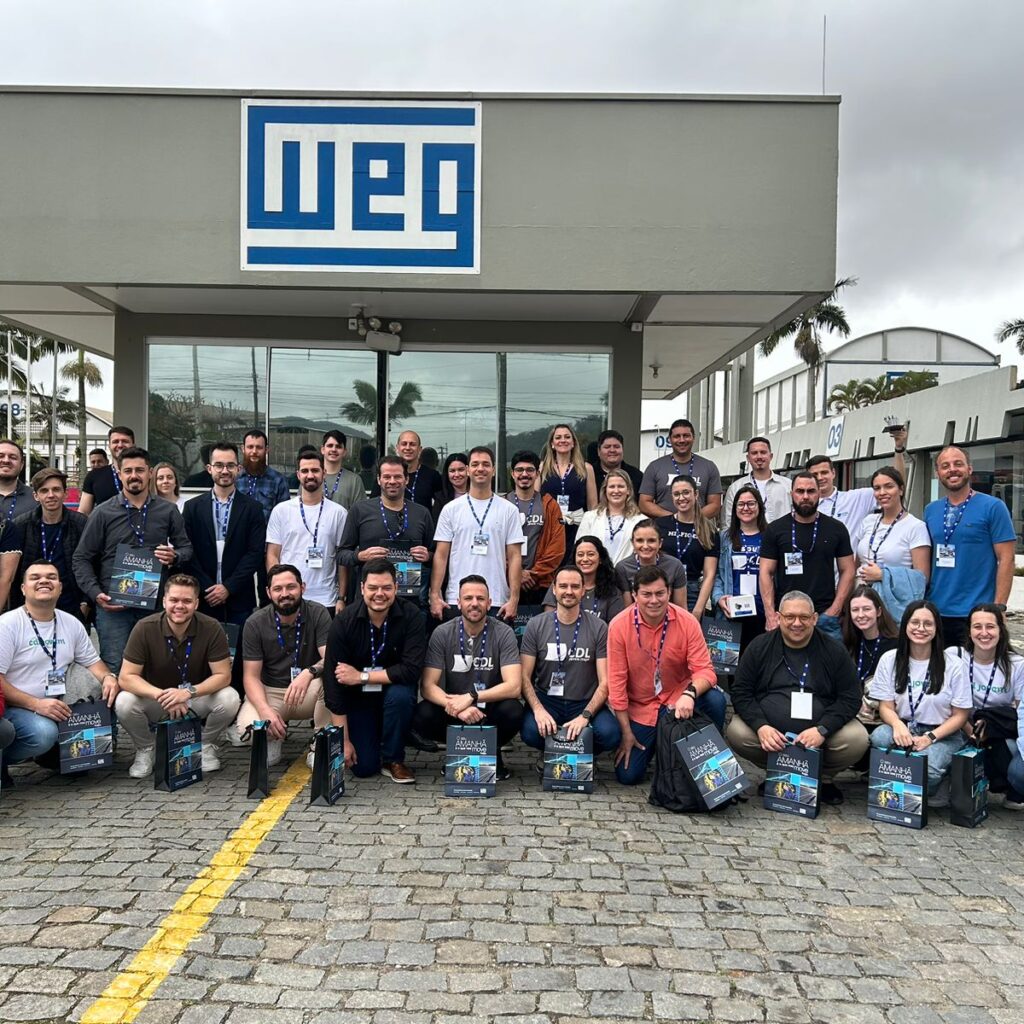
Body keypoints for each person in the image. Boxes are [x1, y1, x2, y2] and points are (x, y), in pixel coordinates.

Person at [728, 590, 869, 805]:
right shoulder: (759, 646)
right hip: (772, 732)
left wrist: (823, 729)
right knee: (737, 731)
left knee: (857, 738)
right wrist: (761, 726)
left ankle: (823, 779)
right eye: (790, 617)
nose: (797, 623)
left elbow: (850, 697)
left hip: (820, 733)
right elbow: (740, 691)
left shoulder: (834, 650)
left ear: (814, 618)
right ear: (778, 617)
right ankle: (778, 772)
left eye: (804, 617)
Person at [72, 447, 192, 675]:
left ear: (150, 473)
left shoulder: (168, 511)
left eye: (139, 470)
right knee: (115, 667)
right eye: (128, 471)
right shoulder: (103, 512)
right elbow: (81, 558)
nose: (134, 475)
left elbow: (186, 548)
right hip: (113, 607)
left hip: (155, 606)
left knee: (158, 667)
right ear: (119, 474)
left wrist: (175, 556)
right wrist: (96, 594)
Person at [607, 564, 723, 786]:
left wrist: (689, 693)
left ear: (669, 592)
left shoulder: (687, 621)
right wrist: (626, 733)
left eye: (660, 593)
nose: (654, 600)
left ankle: (712, 757)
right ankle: (665, 752)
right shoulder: (619, 626)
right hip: (642, 708)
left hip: (679, 700)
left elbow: (705, 670)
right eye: (646, 594)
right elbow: (616, 683)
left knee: (715, 700)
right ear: (634, 595)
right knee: (628, 775)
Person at [116, 574, 239, 777]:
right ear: (164, 601)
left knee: (230, 698)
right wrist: (163, 695)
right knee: (124, 701)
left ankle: (204, 744)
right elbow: (126, 677)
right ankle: (147, 748)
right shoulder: (144, 627)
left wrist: (187, 693)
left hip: (193, 698)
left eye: (187, 601)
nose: (179, 606)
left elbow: (223, 675)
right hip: (157, 699)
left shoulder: (212, 627)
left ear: (196, 603)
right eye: (174, 600)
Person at [0, 560, 117, 772]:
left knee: (107, 687)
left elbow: (93, 663)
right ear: (23, 588)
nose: (44, 581)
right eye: (35, 578)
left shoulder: (71, 623)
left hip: (60, 704)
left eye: (51, 577)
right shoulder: (7, 625)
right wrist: (36, 704)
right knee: (43, 733)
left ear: (60, 588)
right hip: (15, 707)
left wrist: (108, 678)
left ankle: (54, 755)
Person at [322, 558, 426, 783]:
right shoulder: (344, 621)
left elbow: (411, 670)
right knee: (363, 767)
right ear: (362, 588)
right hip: (359, 700)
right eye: (373, 588)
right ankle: (373, 737)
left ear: (396, 588)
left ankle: (393, 759)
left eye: (387, 588)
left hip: (393, 693)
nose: (380, 594)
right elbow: (333, 683)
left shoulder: (412, 616)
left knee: (401, 695)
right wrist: (344, 740)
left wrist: (361, 677)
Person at [414, 575, 523, 778]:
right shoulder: (442, 632)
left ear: (489, 603)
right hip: (454, 708)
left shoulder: (504, 633)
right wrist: (457, 707)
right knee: (423, 713)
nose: (474, 603)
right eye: (468, 598)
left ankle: (491, 751)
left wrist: (472, 697)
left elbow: (514, 686)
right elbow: (427, 686)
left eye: (480, 599)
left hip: (489, 708)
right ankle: (459, 751)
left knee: (514, 710)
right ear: (458, 602)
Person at [868, 599, 971, 803]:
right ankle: (899, 785)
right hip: (906, 727)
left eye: (928, 624)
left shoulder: (954, 665)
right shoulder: (890, 659)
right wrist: (898, 725)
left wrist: (930, 737)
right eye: (915, 622)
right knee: (879, 737)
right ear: (905, 625)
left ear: (937, 628)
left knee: (927, 768)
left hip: (942, 733)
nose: (921, 629)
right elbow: (886, 706)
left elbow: (960, 715)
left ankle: (940, 780)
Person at [520, 565, 620, 762]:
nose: (569, 591)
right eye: (563, 586)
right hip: (548, 700)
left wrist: (585, 716)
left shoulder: (599, 627)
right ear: (554, 589)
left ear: (583, 591)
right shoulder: (535, 625)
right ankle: (551, 752)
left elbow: (605, 682)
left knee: (610, 734)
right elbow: (524, 676)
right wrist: (538, 710)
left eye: (575, 586)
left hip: (584, 700)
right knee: (530, 731)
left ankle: (582, 754)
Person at [237, 563, 333, 765]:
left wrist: (309, 672)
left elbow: (331, 658)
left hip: (307, 689)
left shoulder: (318, 613)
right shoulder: (255, 622)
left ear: (302, 587)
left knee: (332, 679)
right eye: (278, 589)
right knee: (251, 730)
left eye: (291, 587)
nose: (285, 594)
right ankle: (274, 736)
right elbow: (251, 676)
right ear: (268, 592)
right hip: (271, 693)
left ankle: (320, 743)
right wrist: (265, 711)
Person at [922, 446, 1015, 646]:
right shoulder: (931, 510)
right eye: (945, 466)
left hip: (979, 614)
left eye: (958, 464)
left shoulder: (993, 507)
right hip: (936, 611)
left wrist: (999, 607)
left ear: (969, 469)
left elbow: (1006, 559)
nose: (952, 469)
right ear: (938, 473)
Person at [430, 446, 524, 621]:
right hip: (457, 599)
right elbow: (441, 555)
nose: (480, 469)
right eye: (475, 464)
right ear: (468, 470)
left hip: (497, 599)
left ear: (493, 470)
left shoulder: (509, 510)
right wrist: (435, 595)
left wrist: (514, 599)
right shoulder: (450, 509)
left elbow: (515, 557)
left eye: (486, 464)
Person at [759, 472, 854, 642]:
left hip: (824, 616)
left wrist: (835, 609)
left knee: (831, 659)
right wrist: (770, 614)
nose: (805, 496)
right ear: (791, 494)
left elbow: (848, 570)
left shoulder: (836, 528)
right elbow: (766, 572)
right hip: (786, 617)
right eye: (800, 491)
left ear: (819, 493)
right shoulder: (775, 529)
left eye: (811, 491)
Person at [182, 441, 265, 629]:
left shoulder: (253, 508)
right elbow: (187, 551)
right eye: (219, 465)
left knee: (238, 648)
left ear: (239, 469)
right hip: (202, 597)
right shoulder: (192, 508)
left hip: (239, 598)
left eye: (230, 465)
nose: (225, 471)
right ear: (209, 469)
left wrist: (228, 587)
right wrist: (208, 588)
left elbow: (255, 553)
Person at [957, 603, 1024, 809]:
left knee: (1015, 761)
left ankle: (1011, 786)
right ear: (969, 631)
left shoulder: (1017, 664)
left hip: (998, 732)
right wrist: (970, 731)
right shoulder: (955, 656)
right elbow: (945, 703)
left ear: (1000, 630)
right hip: (961, 726)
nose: (984, 633)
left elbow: (1021, 712)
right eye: (977, 627)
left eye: (990, 627)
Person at [0, 469, 90, 620]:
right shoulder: (21, 525)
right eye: (44, 491)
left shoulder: (81, 524)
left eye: (56, 489)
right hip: (29, 606)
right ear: (36, 496)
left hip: (72, 605)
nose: (51, 495)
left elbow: (92, 562)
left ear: (65, 493)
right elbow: (13, 571)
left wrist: (86, 604)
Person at [338, 456, 434, 596]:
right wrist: (360, 556)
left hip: (409, 597)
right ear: (379, 480)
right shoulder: (360, 510)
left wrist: (428, 556)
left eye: (398, 477)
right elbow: (341, 555)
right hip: (371, 596)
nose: (392, 481)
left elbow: (435, 554)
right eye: (387, 477)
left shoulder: (421, 513)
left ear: (406, 479)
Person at [266, 451, 348, 614]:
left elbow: (342, 560)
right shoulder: (281, 511)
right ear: (298, 475)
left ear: (324, 473)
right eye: (305, 471)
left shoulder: (339, 513)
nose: (310, 475)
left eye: (315, 470)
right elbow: (272, 555)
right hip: (290, 597)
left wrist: (341, 597)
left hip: (326, 599)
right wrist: (279, 589)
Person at [853, 467, 930, 621]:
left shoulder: (915, 527)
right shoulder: (868, 521)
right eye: (877, 488)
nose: (882, 492)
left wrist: (883, 575)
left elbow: (922, 578)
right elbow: (856, 564)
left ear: (901, 490)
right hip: (861, 603)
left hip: (893, 607)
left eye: (888, 486)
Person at [805, 429, 907, 543]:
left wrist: (898, 450)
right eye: (815, 474)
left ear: (833, 473)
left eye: (824, 473)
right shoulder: (803, 506)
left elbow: (896, 482)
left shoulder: (856, 499)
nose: (820, 478)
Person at [504, 450, 565, 606]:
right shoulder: (501, 504)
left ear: (537, 474)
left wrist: (534, 574)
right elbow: (494, 546)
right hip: (505, 581)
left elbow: (557, 547)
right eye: (519, 470)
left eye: (530, 470)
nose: (524, 474)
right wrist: (516, 572)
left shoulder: (550, 505)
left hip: (539, 583)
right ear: (512, 474)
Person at [712, 485, 767, 649]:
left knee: (760, 660)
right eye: (741, 504)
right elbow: (716, 574)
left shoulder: (771, 536)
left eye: (751, 503)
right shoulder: (724, 538)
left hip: (763, 612)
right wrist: (718, 598)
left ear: (759, 506)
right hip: (731, 612)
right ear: (735, 508)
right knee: (731, 662)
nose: (746, 508)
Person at [656, 475, 719, 617]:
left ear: (695, 494)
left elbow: (709, 574)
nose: (681, 498)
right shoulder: (660, 524)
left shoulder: (709, 530)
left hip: (691, 591)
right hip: (661, 587)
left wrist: (698, 609)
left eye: (686, 492)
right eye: (676, 494)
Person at [841, 584, 899, 735]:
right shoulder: (849, 643)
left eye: (866, 609)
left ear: (878, 611)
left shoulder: (895, 644)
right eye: (855, 610)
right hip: (857, 714)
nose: (860, 615)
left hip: (887, 716)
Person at [639, 418, 722, 520]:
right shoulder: (654, 467)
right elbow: (644, 503)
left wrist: (691, 519)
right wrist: (673, 519)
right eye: (677, 436)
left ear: (693, 438)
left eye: (686, 436)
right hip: (664, 527)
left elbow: (715, 504)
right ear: (670, 439)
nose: (682, 440)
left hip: (698, 527)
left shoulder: (709, 467)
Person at [537, 424, 597, 555]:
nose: (563, 440)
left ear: (573, 442)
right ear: (552, 444)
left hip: (578, 528)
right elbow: (535, 501)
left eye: (567, 437)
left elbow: (592, 505)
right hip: (550, 529)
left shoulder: (586, 468)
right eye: (558, 437)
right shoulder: (542, 468)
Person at [543, 536, 625, 624]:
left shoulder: (612, 591)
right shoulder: (560, 584)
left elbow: (615, 626)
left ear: (600, 559)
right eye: (580, 555)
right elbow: (549, 621)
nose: (585, 559)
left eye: (590, 554)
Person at [577, 468, 645, 566]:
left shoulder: (641, 521)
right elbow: (579, 549)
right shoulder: (590, 518)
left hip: (627, 573)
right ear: (605, 490)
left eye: (620, 486)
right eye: (612, 487)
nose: (616, 491)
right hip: (597, 572)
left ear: (628, 491)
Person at [615, 520, 687, 609]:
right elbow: (627, 608)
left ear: (660, 543)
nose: (645, 546)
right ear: (633, 543)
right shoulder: (623, 567)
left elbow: (681, 608)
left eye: (651, 541)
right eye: (640, 541)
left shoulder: (675, 565)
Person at [721, 437, 791, 525]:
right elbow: (727, 522)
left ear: (771, 456)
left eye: (763, 452)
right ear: (748, 458)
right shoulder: (735, 488)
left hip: (781, 533)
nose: (759, 457)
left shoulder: (788, 485)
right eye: (754, 453)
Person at [76, 425, 135, 516]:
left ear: (133, 445)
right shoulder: (94, 476)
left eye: (125, 441)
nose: (120, 445)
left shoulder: (145, 475)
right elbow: (83, 512)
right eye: (115, 441)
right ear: (109, 446)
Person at [237, 429, 291, 523]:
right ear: (243, 449)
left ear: (266, 450)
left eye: (259, 447)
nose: (254, 451)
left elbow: (285, 517)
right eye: (250, 447)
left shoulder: (278, 480)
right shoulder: (234, 479)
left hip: (267, 532)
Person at [391, 430, 444, 512]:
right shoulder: (387, 475)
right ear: (397, 448)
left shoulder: (432, 476)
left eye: (412, 444)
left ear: (420, 449)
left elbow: (442, 506)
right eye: (404, 444)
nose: (408, 448)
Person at [0, 440, 38, 540]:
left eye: (13, 457)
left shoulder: (37, 498)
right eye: (1, 456)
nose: (6, 460)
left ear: (21, 465)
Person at [321, 429, 366, 511]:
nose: (334, 449)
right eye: (330, 445)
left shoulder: (354, 480)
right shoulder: (311, 477)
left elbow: (360, 513)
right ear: (323, 449)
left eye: (338, 446)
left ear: (344, 451)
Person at [590, 429, 643, 497]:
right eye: (607, 447)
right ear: (598, 451)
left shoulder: (636, 476)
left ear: (622, 450)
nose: (612, 450)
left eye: (616, 447)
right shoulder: (589, 475)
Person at [435, 452, 470, 516]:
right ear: (447, 474)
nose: (457, 475)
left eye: (461, 470)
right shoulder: (440, 498)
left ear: (468, 470)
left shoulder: (478, 494)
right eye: (452, 471)